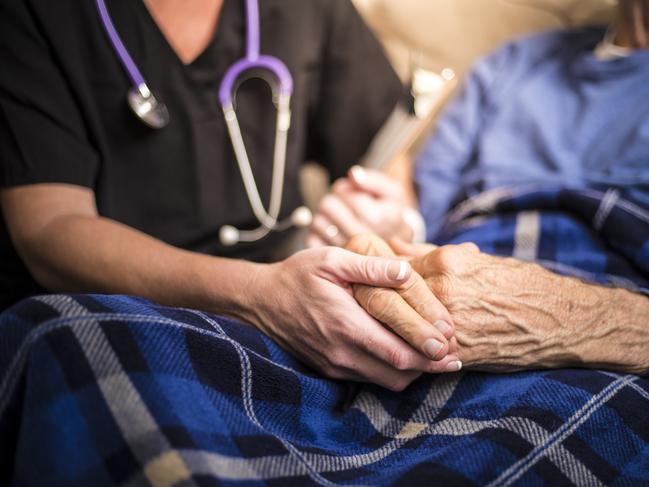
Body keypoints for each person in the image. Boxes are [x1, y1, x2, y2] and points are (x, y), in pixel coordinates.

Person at [0, 0, 461, 391]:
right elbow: (48, 229)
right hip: (108, 313)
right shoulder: (33, 15)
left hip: (292, 307)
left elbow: (381, 149)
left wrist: (389, 217)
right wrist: (261, 296)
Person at [310, 0, 649, 373]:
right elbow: (425, 215)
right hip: (454, 277)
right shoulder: (513, 62)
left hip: (603, 306)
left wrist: (571, 318)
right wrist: (393, 225)